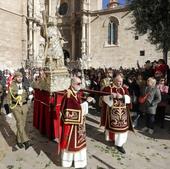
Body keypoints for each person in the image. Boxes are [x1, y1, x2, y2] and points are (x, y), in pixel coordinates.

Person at [60, 76, 94, 169]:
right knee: (72, 144)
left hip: (78, 124)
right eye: (78, 83)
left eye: (80, 83)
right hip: (72, 126)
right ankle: (71, 163)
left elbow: (77, 106)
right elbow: (74, 110)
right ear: (72, 84)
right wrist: (87, 102)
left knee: (78, 144)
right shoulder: (69, 95)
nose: (80, 85)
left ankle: (77, 162)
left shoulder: (74, 93)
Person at [101, 73, 133, 154]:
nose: (120, 83)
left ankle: (119, 145)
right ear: (114, 80)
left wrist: (122, 97)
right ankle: (112, 140)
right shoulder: (108, 88)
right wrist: (111, 96)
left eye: (121, 81)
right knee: (112, 129)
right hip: (111, 114)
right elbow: (103, 99)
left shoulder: (124, 89)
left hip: (123, 114)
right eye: (118, 81)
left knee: (122, 130)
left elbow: (129, 99)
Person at [7, 71, 31, 150]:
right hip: (15, 107)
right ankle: (26, 141)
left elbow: (27, 95)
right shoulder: (11, 86)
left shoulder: (25, 85)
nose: (20, 78)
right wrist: (8, 111)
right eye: (18, 77)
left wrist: (29, 93)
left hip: (24, 106)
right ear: (15, 77)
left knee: (22, 125)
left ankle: (19, 140)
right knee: (19, 123)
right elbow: (8, 99)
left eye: (21, 77)